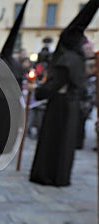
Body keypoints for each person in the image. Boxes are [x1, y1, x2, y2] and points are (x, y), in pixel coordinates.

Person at [29, 0, 99, 186]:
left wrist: (37, 90)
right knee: (65, 144)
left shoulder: (66, 59)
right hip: (71, 105)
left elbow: (53, 86)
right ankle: (60, 176)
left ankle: (48, 175)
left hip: (59, 106)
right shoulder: (78, 59)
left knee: (54, 143)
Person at [0, 0, 28, 154]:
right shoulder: (18, 65)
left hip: (1, 100)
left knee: (0, 124)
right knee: (9, 124)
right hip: (14, 100)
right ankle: (7, 147)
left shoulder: (0, 65)